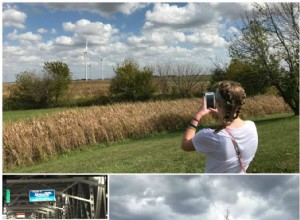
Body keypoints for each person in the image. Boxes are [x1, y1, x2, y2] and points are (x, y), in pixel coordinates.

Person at [181, 81, 258, 173]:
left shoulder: (211, 136)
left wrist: (198, 115)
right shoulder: (251, 126)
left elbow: (185, 144)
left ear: (217, 102)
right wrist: (221, 112)